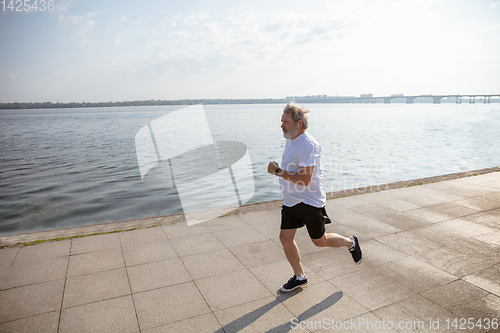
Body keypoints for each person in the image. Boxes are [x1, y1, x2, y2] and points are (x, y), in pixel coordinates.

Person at [267, 102, 362, 293]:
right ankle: (299, 276)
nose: (282, 125)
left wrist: (277, 171)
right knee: (285, 238)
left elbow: (305, 179)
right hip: (291, 201)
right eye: (281, 121)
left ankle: (350, 242)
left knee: (319, 241)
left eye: (285, 122)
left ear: (298, 124)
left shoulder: (308, 145)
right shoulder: (291, 139)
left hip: (309, 202)